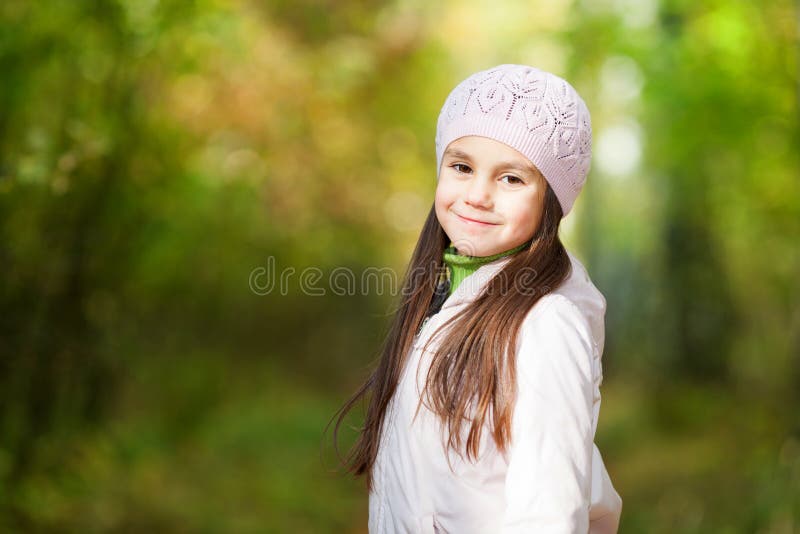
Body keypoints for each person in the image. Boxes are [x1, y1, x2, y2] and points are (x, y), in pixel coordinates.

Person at [330, 64, 623, 533]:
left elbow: (549, 515)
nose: (478, 195)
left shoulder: (546, 323)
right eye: (462, 167)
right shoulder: (441, 298)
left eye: (512, 179)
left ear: (551, 200)